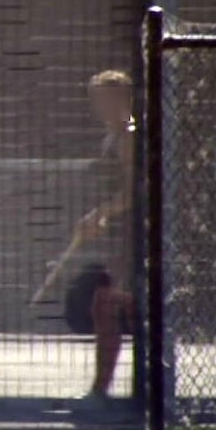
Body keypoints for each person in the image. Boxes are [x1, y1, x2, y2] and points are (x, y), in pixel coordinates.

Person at [34, 70, 136, 399]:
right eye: (97, 99)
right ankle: (104, 387)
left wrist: (102, 213)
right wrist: (100, 219)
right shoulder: (110, 137)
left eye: (106, 98)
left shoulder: (130, 136)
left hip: (136, 236)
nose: (100, 106)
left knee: (113, 304)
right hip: (116, 234)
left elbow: (135, 192)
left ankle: (122, 387)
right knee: (108, 306)